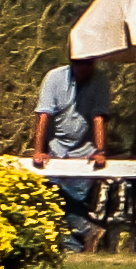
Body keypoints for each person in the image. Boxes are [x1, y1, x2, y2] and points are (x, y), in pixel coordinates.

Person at [35, 52, 110, 255]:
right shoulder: (54, 78)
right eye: (81, 65)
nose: (86, 69)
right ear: (73, 64)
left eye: (89, 65)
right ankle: (85, 233)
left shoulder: (100, 81)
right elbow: (43, 115)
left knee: (77, 199)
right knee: (51, 199)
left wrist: (100, 150)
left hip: (84, 152)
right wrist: (39, 150)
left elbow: (98, 116)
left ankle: (74, 247)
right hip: (56, 149)